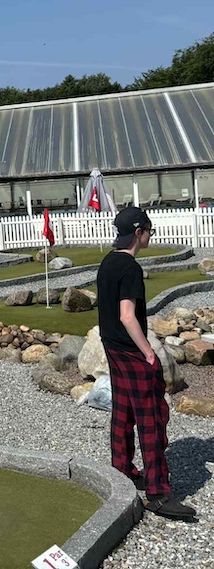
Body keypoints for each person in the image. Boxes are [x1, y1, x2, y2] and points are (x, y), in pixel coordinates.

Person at [97, 207, 196, 520]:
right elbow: (128, 315)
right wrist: (149, 353)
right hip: (131, 350)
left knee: (123, 412)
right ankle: (158, 494)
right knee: (152, 418)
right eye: (149, 230)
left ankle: (122, 471)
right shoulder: (129, 267)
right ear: (138, 233)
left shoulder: (107, 262)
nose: (151, 235)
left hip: (112, 347)